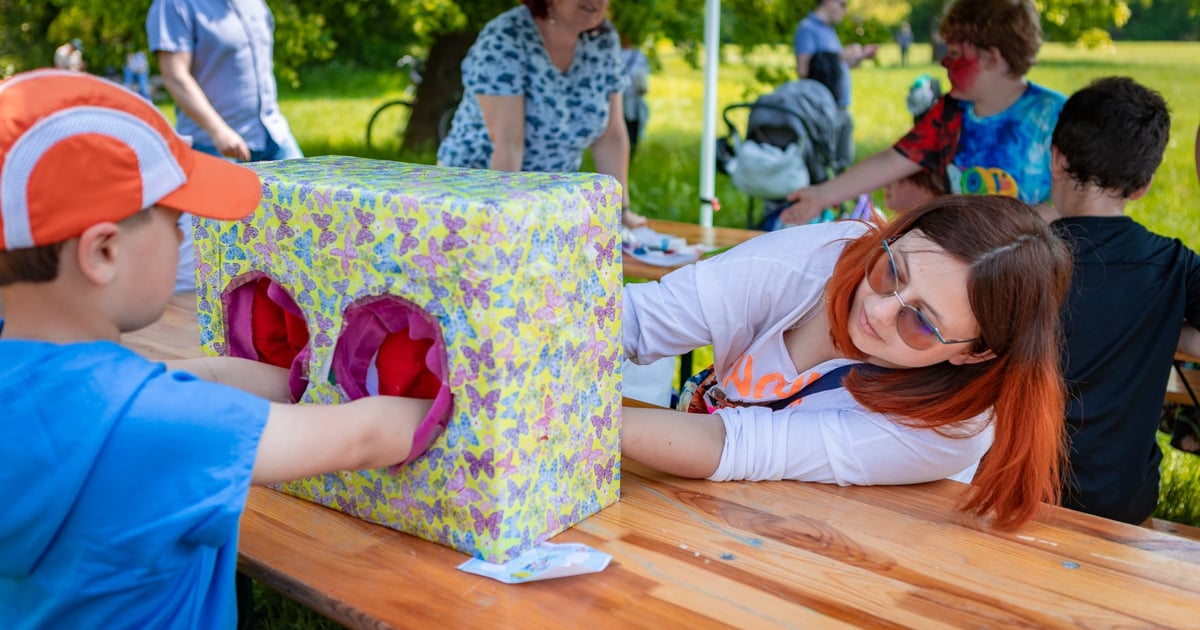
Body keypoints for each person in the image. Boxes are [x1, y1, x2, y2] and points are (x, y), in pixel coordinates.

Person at [0, 70, 437, 627]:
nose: (184, 237)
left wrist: (300, 378)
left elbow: (198, 375)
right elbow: (365, 437)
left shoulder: (51, 390)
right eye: (176, 221)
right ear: (104, 253)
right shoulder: (157, 428)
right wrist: (471, 404)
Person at [622, 195, 1073, 530]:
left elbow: (741, 447)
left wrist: (573, 418)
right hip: (726, 515)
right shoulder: (823, 256)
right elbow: (639, 320)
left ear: (974, 351)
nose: (878, 311)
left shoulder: (956, 427)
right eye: (891, 271)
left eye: (918, 321)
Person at [1045, 77, 1200, 524]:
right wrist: (1166, 324)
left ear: (1057, 159)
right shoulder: (1174, 266)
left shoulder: (1020, 260)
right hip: (1123, 502)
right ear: (1144, 185)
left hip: (1019, 487)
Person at [783, 0, 1064, 225]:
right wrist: (821, 195)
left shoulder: (1056, 116)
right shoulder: (950, 113)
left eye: (954, 54)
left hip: (1029, 269)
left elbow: (1086, 203)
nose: (944, 62)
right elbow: (893, 159)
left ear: (992, 57)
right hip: (961, 257)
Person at [437, 0, 646, 228]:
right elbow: (509, 143)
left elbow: (610, 138)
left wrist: (620, 212)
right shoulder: (506, 37)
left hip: (547, 201)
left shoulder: (603, 38)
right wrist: (503, 222)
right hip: (476, 197)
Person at [147, 0, 305, 292]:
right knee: (218, 259)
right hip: (215, 146)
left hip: (273, 135)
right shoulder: (175, 5)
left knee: (305, 226)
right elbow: (175, 75)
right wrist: (218, 130)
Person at [793, 0, 878, 168]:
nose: (845, 10)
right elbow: (804, 71)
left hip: (840, 106)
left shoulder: (830, 30)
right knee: (825, 165)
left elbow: (833, 67)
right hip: (821, 110)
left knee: (842, 165)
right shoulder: (807, 28)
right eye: (843, 4)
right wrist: (838, 57)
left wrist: (857, 56)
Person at [620, 33, 651, 160]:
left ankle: (630, 153)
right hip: (625, 97)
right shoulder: (637, 55)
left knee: (630, 125)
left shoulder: (633, 54)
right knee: (627, 125)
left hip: (629, 97)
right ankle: (628, 152)